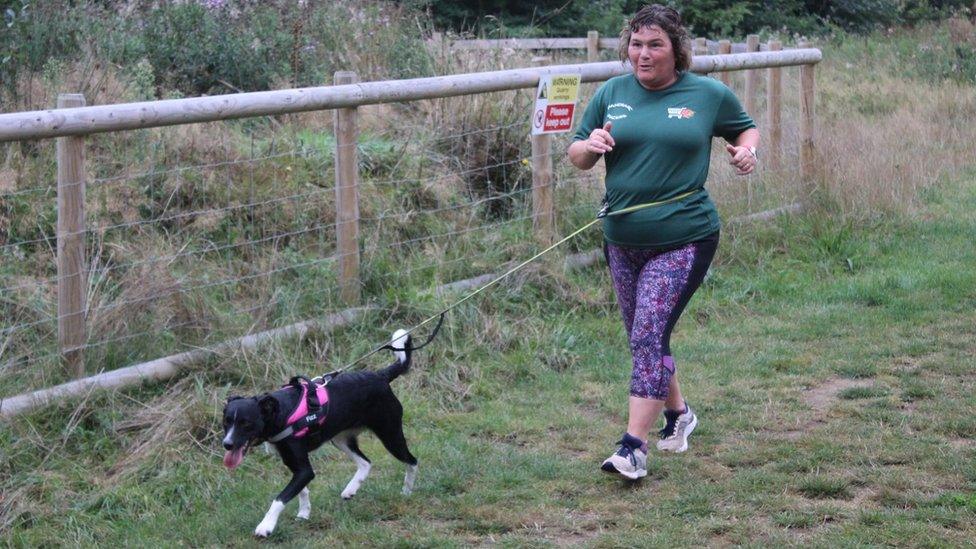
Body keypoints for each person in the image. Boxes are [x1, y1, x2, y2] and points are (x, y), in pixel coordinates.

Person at [567, 4, 759, 480]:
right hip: (622, 239)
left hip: (685, 236)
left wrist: (746, 151)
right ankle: (679, 414)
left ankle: (633, 447)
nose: (643, 54)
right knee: (645, 337)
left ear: (676, 49)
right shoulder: (612, 92)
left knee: (648, 334)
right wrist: (589, 146)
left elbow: (744, 127)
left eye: (655, 45)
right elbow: (576, 154)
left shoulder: (707, 94)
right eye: (636, 44)